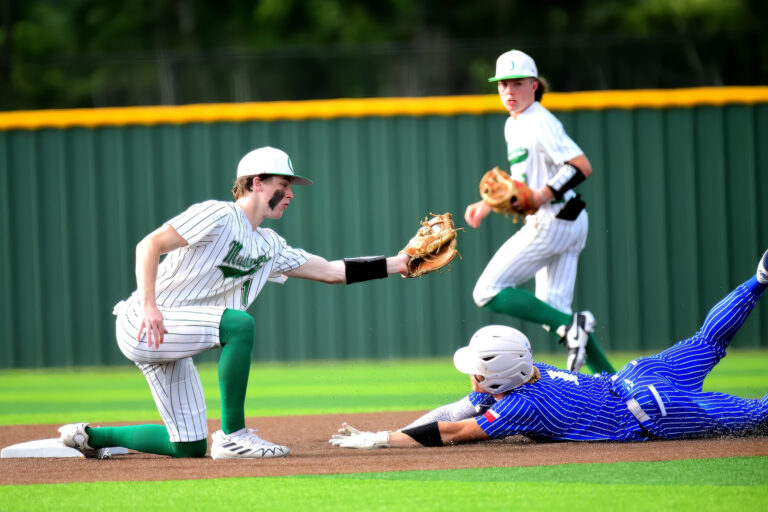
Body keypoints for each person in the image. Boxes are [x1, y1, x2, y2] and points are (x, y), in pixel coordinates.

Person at [58, 146, 411, 459]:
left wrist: (400, 263)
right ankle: (233, 436)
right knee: (238, 325)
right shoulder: (218, 215)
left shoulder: (270, 244)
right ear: (256, 182)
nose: (290, 193)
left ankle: (89, 437)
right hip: (145, 322)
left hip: (172, 334)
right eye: (282, 185)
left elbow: (332, 271)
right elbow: (148, 246)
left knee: (188, 446)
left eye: (290, 187)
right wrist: (149, 305)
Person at [330, 249, 768, 449]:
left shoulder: (516, 407)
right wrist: (394, 431)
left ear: (495, 376)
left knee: (757, 417)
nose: (472, 376)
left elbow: (456, 432)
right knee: (706, 340)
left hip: (656, 409)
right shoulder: (526, 370)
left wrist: (384, 440)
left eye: (477, 369)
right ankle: (759, 279)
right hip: (635, 376)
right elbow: (453, 410)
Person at [464, 49, 614, 374]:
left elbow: (580, 166)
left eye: (516, 83)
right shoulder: (514, 124)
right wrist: (487, 204)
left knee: (486, 292)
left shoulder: (539, 120)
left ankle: (572, 326)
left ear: (534, 85)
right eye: (502, 84)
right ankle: (615, 383)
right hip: (569, 219)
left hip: (553, 220)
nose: (508, 91)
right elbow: (522, 183)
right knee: (554, 313)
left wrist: (542, 194)